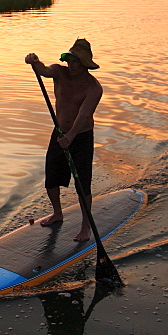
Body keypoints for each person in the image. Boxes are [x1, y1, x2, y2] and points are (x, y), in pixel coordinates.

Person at [24, 38, 102, 242]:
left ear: (85, 64)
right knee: (51, 178)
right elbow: (44, 70)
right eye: (69, 60)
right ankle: (57, 213)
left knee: (82, 184)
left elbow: (84, 115)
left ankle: (86, 227)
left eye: (75, 62)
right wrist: (35, 61)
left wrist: (71, 136)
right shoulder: (59, 72)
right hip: (59, 133)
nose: (71, 65)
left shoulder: (94, 88)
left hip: (81, 136)